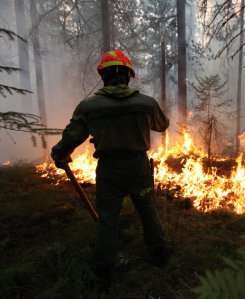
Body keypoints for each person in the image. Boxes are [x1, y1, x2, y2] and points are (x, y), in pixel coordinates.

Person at [51, 49, 170, 286]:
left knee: (107, 219)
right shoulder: (146, 103)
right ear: (128, 75)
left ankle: (104, 269)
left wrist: (59, 153)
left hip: (109, 171)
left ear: (103, 76)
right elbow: (161, 125)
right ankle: (160, 256)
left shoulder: (89, 107)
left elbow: (73, 136)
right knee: (147, 211)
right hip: (138, 168)